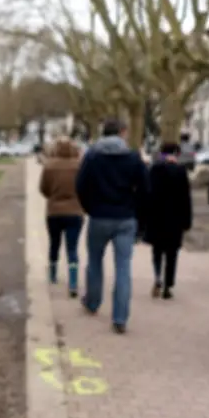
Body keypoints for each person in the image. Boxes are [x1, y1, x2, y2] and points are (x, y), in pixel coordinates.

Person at [76, 119, 150, 334]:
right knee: (123, 268)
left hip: (99, 215)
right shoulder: (133, 158)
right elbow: (146, 189)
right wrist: (137, 212)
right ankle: (119, 317)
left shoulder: (92, 156)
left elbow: (80, 185)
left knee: (95, 262)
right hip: (125, 217)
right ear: (122, 132)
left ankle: (92, 301)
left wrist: (89, 208)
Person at [141, 143, 192, 299]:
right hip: (175, 218)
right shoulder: (181, 171)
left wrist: (144, 217)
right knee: (172, 253)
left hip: (156, 217)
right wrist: (187, 220)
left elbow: (147, 194)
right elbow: (186, 198)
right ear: (176, 153)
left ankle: (157, 276)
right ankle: (168, 285)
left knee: (157, 250)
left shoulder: (154, 170)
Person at [40, 137, 84, 297]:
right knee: (72, 247)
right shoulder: (79, 166)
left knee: (54, 243)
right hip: (75, 211)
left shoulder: (49, 166)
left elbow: (43, 189)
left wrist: (53, 195)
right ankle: (73, 282)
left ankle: (53, 274)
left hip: (54, 211)